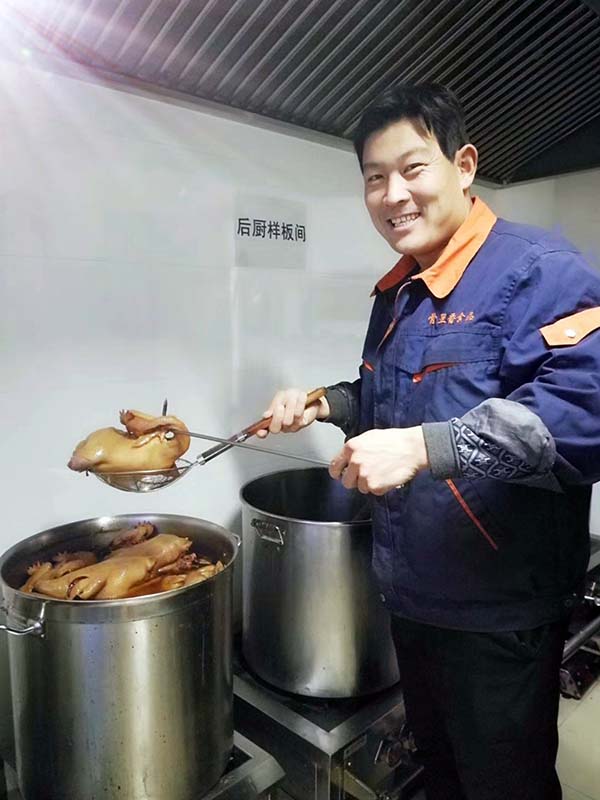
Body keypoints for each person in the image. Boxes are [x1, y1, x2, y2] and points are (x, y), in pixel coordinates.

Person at [258, 83, 600, 800]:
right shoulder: (400, 289)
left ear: (464, 165)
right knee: (440, 776)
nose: (393, 195)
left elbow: (582, 416)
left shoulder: (539, 269)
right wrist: (323, 403)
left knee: (505, 787)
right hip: (413, 598)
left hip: (498, 611)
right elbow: (392, 397)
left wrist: (422, 448)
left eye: (412, 169)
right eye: (374, 178)